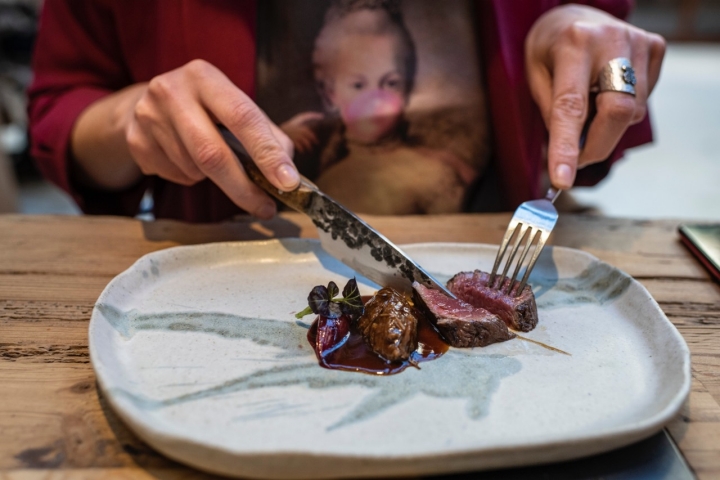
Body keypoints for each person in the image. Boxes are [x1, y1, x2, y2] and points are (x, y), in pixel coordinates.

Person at [28, 0, 664, 222]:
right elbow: (59, 112)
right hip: (224, 267)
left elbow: (590, 158)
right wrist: (133, 118)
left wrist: (590, 67)